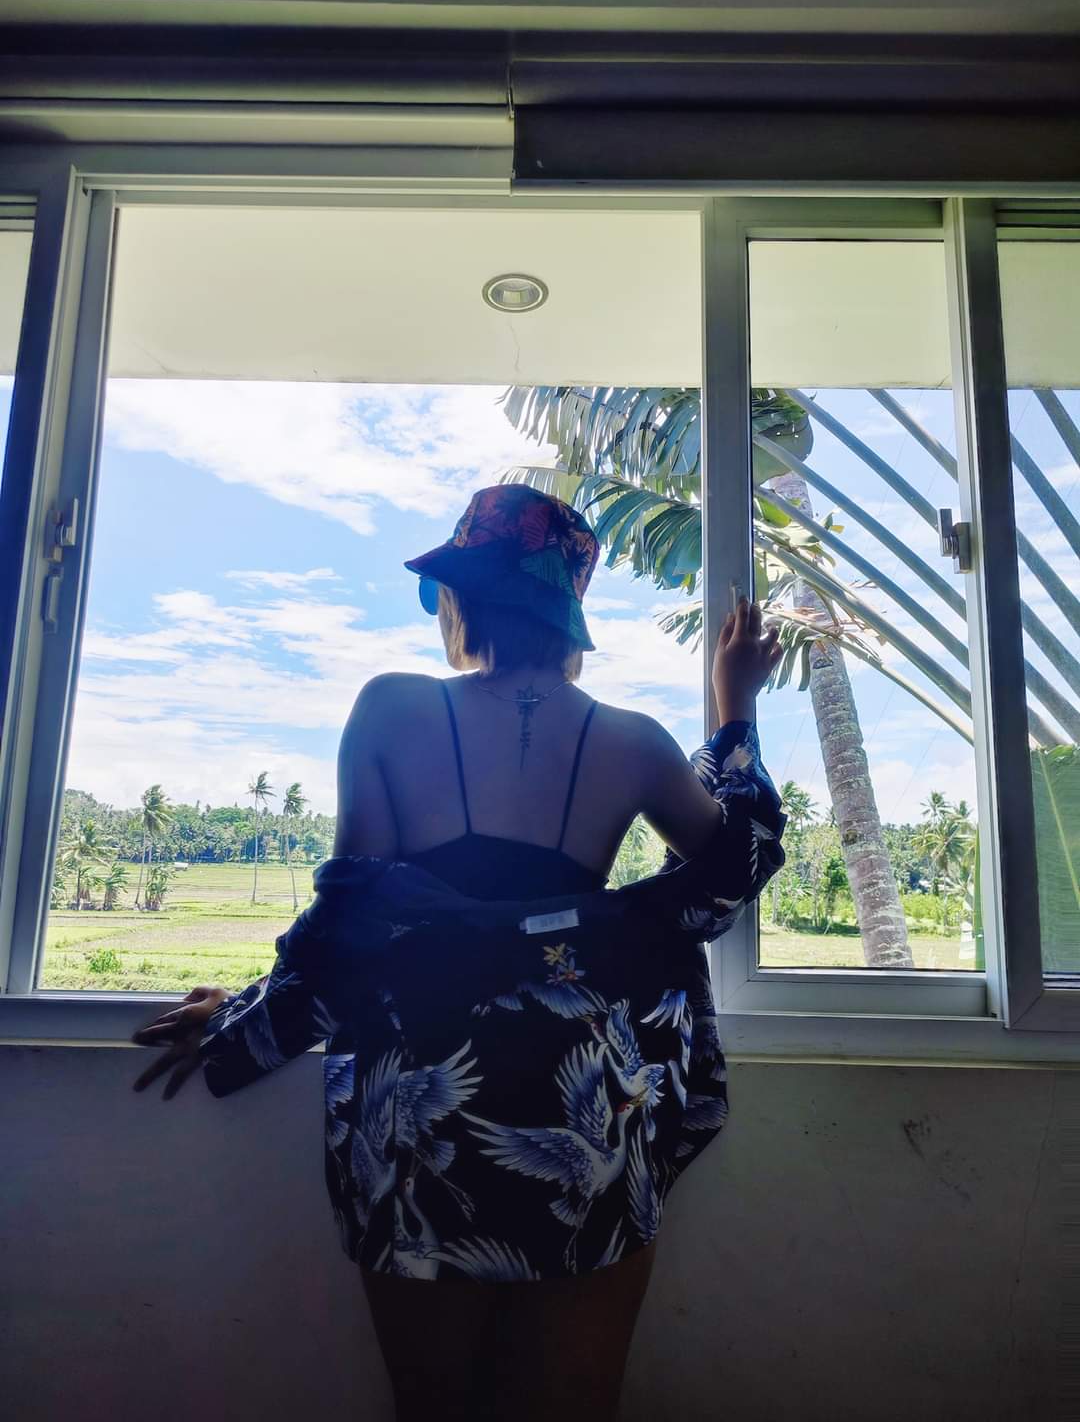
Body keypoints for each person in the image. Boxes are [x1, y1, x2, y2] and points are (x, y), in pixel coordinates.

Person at [131, 483, 786, 1422]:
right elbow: (729, 872)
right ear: (568, 613)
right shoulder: (633, 741)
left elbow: (350, 932)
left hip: (417, 1108)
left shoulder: (390, 710)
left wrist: (240, 1023)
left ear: (460, 597)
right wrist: (734, 712)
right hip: (581, 1109)